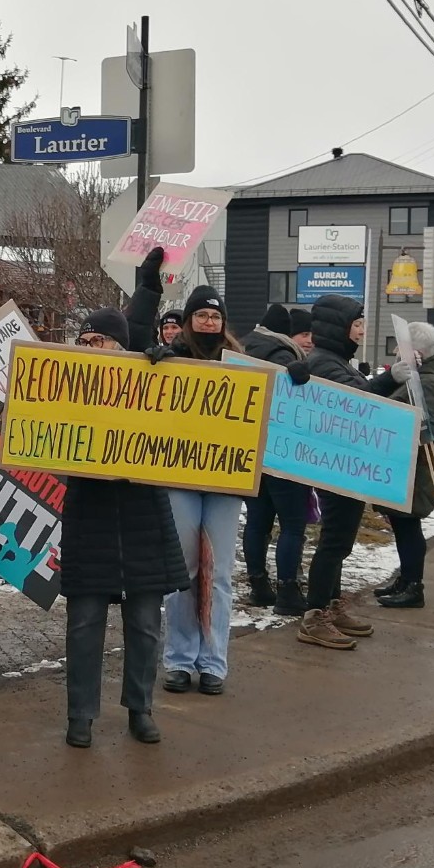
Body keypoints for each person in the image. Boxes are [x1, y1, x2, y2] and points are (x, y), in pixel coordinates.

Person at [62, 249, 188, 747]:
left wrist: (169, 374)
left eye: (100, 340)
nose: (90, 348)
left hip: (143, 517)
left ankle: (141, 708)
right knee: (84, 624)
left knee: (145, 624)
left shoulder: (151, 377)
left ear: (122, 346)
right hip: (89, 516)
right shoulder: (66, 387)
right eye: (84, 341)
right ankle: (80, 715)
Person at [154, 284, 252, 696]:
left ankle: (213, 661)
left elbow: (276, 391)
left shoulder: (242, 363)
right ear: (188, 321)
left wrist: (295, 374)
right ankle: (179, 659)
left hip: (226, 480)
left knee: (220, 573)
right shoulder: (171, 359)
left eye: (215, 316)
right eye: (202, 315)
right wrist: (153, 365)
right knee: (184, 570)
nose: (209, 323)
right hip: (180, 477)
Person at [294, 295, 378, 651]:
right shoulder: (324, 363)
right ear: (338, 327)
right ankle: (315, 616)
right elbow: (358, 400)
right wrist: (391, 380)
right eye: (356, 324)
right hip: (336, 465)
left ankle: (331, 604)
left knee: (340, 541)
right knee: (334, 542)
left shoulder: (337, 360)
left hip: (347, 464)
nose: (362, 330)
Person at [368, 323, 434, 609]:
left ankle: (414, 585)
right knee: (401, 524)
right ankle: (405, 579)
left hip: (416, 465)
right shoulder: (419, 377)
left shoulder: (428, 382)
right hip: (406, 463)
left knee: (408, 525)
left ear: (415, 352)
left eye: (399, 346)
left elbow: (427, 427)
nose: (394, 350)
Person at [238, 302, 312, 617]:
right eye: (304, 334)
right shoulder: (282, 354)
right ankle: (288, 591)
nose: (309, 340)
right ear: (287, 333)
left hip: (251, 450)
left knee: (258, 521)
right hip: (283, 452)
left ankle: (259, 586)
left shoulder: (243, 347)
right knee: (293, 525)